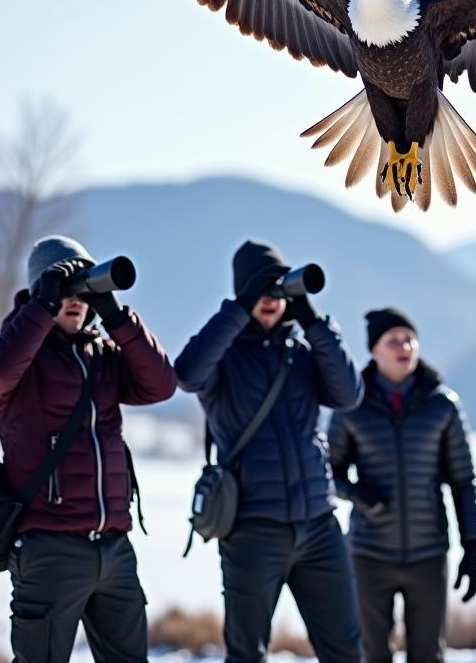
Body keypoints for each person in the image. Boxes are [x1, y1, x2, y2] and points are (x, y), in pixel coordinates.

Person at [0, 235, 178, 663]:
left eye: (83, 289)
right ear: (41, 290)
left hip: (114, 547)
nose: (76, 299)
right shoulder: (18, 353)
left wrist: (117, 317)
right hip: (49, 549)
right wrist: (41, 308)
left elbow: (161, 385)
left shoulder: (102, 355)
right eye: (64, 289)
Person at [174, 240, 365, 663]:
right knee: (246, 654)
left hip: (318, 524)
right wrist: (237, 310)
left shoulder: (301, 352)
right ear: (242, 293)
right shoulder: (223, 357)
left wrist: (313, 322)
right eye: (258, 292)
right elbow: (186, 375)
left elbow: (349, 394)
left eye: (276, 291)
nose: (269, 300)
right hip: (252, 530)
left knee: (347, 650)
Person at [328, 307, 476, 663]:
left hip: (429, 553)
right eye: (393, 340)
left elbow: (463, 481)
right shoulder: (351, 406)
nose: (405, 347)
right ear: (374, 350)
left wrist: (473, 547)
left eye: (410, 338)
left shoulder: (443, 406)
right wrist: (360, 496)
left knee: (428, 656)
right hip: (369, 554)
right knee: (372, 654)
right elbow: (327, 472)